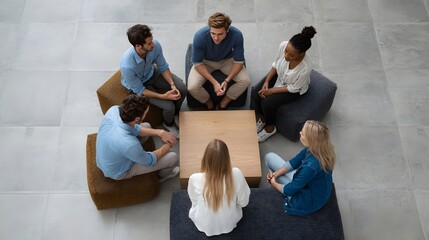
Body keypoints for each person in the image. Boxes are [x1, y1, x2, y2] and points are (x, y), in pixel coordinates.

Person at [250, 26, 317, 142]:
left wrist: (271, 91)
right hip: (280, 75)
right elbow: (276, 64)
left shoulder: (305, 67)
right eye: (286, 51)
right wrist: (266, 81)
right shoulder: (283, 45)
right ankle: (262, 118)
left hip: (293, 89)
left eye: (291, 55)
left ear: (301, 54)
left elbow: (294, 88)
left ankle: (270, 128)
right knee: (256, 92)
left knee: (267, 103)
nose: (286, 56)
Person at [120, 24, 187, 138]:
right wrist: (163, 96)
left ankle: (175, 113)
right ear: (138, 46)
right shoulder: (127, 65)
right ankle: (168, 123)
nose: (153, 44)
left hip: (152, 73)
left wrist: (172, 85)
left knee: (182, 88)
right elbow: (140, 90)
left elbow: (163, 66)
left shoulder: (155, 46)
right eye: (149, 43)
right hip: (138, 87)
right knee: (168, 106)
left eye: (152, 40)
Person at [96, 94, 179, 182]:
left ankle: (136, 154)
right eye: (146, 113)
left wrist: (160, 132)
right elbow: (149, 161)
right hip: (117, 171)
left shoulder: (114, 110)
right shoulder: (130, 144)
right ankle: (161, 177)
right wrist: (167, 145)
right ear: (137, 119)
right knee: (173, 157)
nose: (147, 114)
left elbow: (135, 128)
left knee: (147, 126)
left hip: (106, 157)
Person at [265, 120, 335, 216]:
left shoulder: (310, 167)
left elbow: (289, 190)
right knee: (269, 157)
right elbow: (295, 162)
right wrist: (275, 174)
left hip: (308, 200)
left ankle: (275, 188)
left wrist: (273, 182)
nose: (300, 133)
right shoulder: (319, 149)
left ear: (311, 140)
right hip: (311, 186)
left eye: (303, 133)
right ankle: (276, 179)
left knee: (273, 172)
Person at [188, 12, 250, 110]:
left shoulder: (237, 35)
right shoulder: (199, 36)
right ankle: (210, 104)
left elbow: (239, 61)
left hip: (227, 60)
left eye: (220, 34)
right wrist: (214, 82)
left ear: (227, 30)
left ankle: (223, 104)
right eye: (213, 33)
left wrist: (227, 81)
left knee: (245, 81)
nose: (216, 38)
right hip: (205, 62)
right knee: (192, 87)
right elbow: (197, 63)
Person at [187, 139, 250, 236]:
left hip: (204, 224)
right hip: (229, 224)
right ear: (227, 158)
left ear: (205, 159)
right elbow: (244, 203)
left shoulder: (194, 178)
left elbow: (194, 201)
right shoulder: (237, 174)